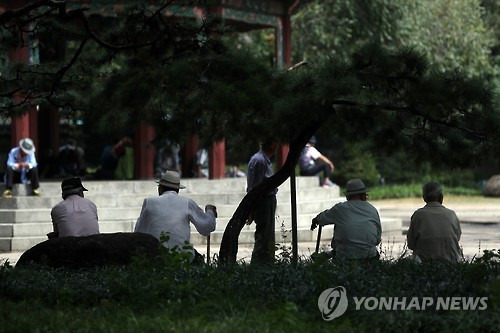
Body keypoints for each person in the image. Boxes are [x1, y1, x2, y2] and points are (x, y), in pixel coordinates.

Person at [134, 170, 216, 263]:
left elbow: (138, 232)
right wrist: (210, 211)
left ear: (160, 187)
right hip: (181, 256)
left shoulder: (149, 202)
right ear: (177, 189)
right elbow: (207, 227)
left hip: (154, 256)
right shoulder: (187, 203)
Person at [311, 179, 381, 260]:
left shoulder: (340, 208)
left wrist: (315, 220)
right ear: (364, 194)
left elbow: (321, 218)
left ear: (348, 195)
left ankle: (323, 257)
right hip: (368, 256)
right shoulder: (372, 209)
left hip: (345, 256)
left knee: (339, 251)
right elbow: (377, 239)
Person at [407, 182, 463, 262]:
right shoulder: (451, 214)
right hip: (451, 261)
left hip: (424, 262)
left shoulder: (418, 215)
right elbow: (457, 238)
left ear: (424, 198)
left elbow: (411, 244)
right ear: (441, 197)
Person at [246, 139, 279, 264]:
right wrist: (251, 207)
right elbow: (256, 187)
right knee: (264, 235)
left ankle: (266, 262)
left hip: (267, 200)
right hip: (264, 201)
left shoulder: (262, 160)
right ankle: (260, 264)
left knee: (267, 235)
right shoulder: (260, 161)